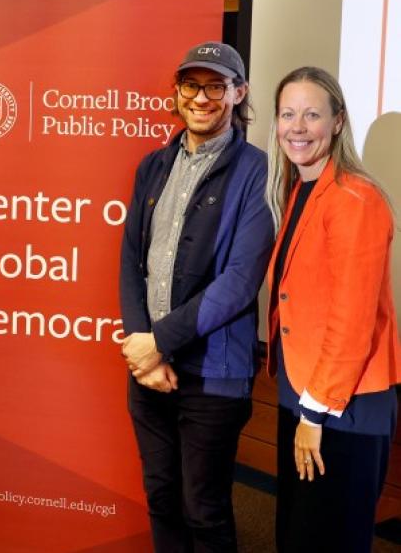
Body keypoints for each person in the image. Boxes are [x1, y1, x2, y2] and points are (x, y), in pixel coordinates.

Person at [119, 41, 274, 552]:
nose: (202, 98)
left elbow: (238, 281)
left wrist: (158, 342)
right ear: (177, 92)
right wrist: (145, 349)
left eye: (216, 85)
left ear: (238, 92)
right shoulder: (153, 166)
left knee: (203, 508)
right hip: (149, 369)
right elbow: (130, 260)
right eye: (192, 85)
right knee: (162, 497)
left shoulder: (256, 170)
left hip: (215, 373)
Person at [264, 66, 401, 553]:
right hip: (304, 396)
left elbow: (351, 322)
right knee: (299, 534)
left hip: (343, 407)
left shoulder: (355, 198)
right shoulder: (301, 189)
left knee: (329, 539)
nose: (297, 127)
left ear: (338, 122)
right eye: (288, 114)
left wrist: (313, 414)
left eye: (312, 115)